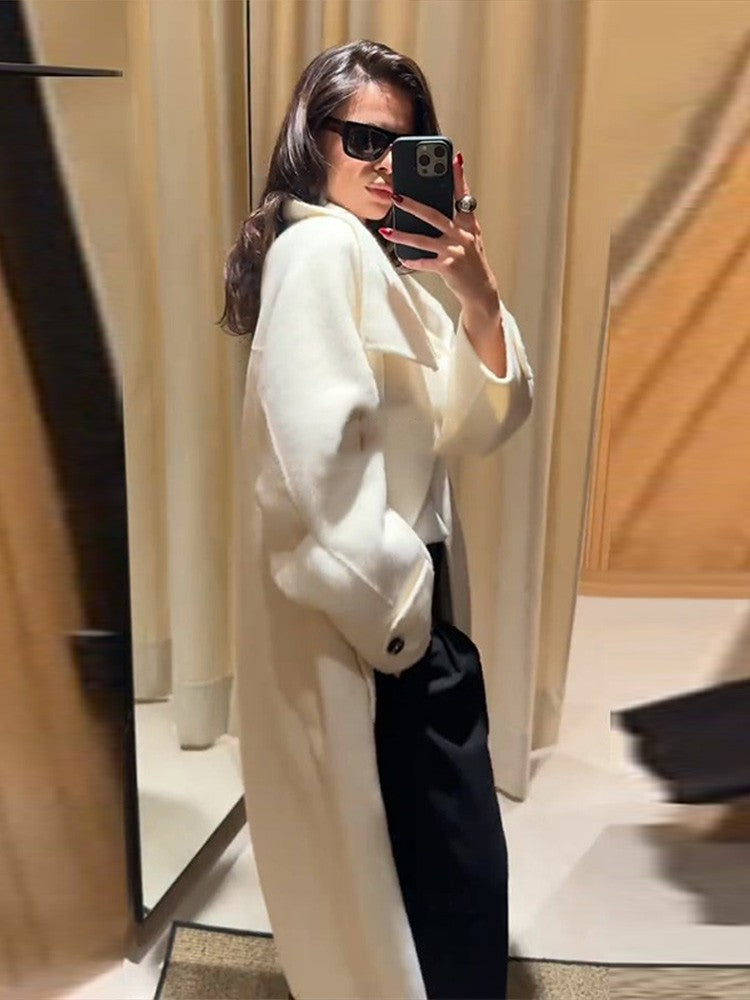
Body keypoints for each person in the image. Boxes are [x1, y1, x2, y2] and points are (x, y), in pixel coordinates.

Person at [220, 39, 534, 1000]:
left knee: (425, 871)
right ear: (309, 141)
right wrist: (406, 625)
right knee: (429, 872)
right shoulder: (321, 249)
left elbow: (476, 424)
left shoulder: (377, 265)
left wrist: (477, 297)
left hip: (391, 612)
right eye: (362, 139)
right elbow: (309, 478)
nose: (384, 163)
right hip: (371, 621)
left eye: (404, 145)